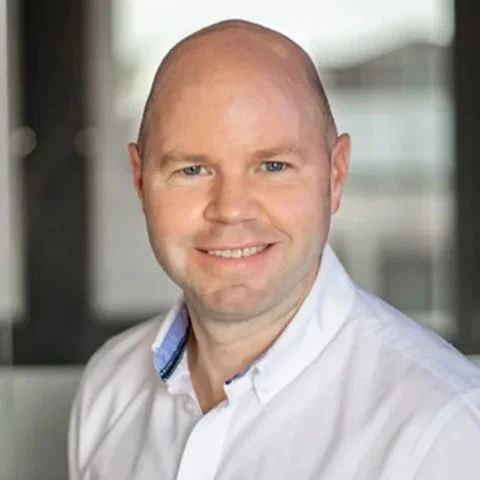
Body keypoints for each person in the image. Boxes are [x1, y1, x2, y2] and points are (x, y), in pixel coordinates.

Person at [68, 19, 480, 480]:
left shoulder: (443, 430)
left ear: (336, 175)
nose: (230, 210)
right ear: (140, 181)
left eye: (272, 165)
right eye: (192, 170)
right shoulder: (108, 388)